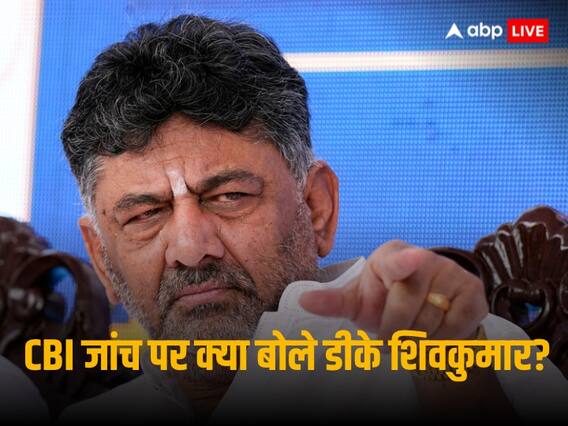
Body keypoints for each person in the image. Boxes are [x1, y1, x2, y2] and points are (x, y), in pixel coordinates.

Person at [58, 14, 567, 423]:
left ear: (316, 208)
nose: (191, 248)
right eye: (145, 214)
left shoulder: (457, 362)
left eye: (230, 196)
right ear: (102, 260)